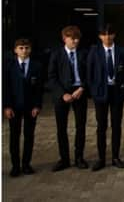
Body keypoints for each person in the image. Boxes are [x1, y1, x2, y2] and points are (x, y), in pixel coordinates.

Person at [87, 24, 124, 171]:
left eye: (110, 34)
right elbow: (90, 74)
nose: (107, 37)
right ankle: (101, 159)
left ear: (114, 35)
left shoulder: (121, 52)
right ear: (100, 36)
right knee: (101, 127)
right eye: (104, 34)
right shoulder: (94, 52)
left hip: (116, 93)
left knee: (116, 126)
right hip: (101, 93)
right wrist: (94, 92)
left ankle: (115, 157)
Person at [48, 25, 89, 171]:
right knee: (61, 128)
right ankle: (64, 159)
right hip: (62, 93)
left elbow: (89, 74)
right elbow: (51, 77)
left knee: (80, 126)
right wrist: (62, 94)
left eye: (77, 38)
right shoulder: (56, 54)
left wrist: (82, 88)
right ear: (64, 38)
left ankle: (79, 157)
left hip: (79, 91)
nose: (76, 41)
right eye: (72, 38)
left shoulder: (84, 53)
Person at [3, 38, 43, 177]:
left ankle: (26, 164)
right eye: (21, 48)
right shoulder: (8, 66)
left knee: (29, 136)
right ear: (15, 50)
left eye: (26, 48)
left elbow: (39, 88)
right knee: (14, 137)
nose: (24, 50)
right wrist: (6, 106)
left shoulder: (37, 66)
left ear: (30, 49)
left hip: (30, 108)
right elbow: (5, 88)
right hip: (14, 107)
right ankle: (15, 166)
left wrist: (37, 105)